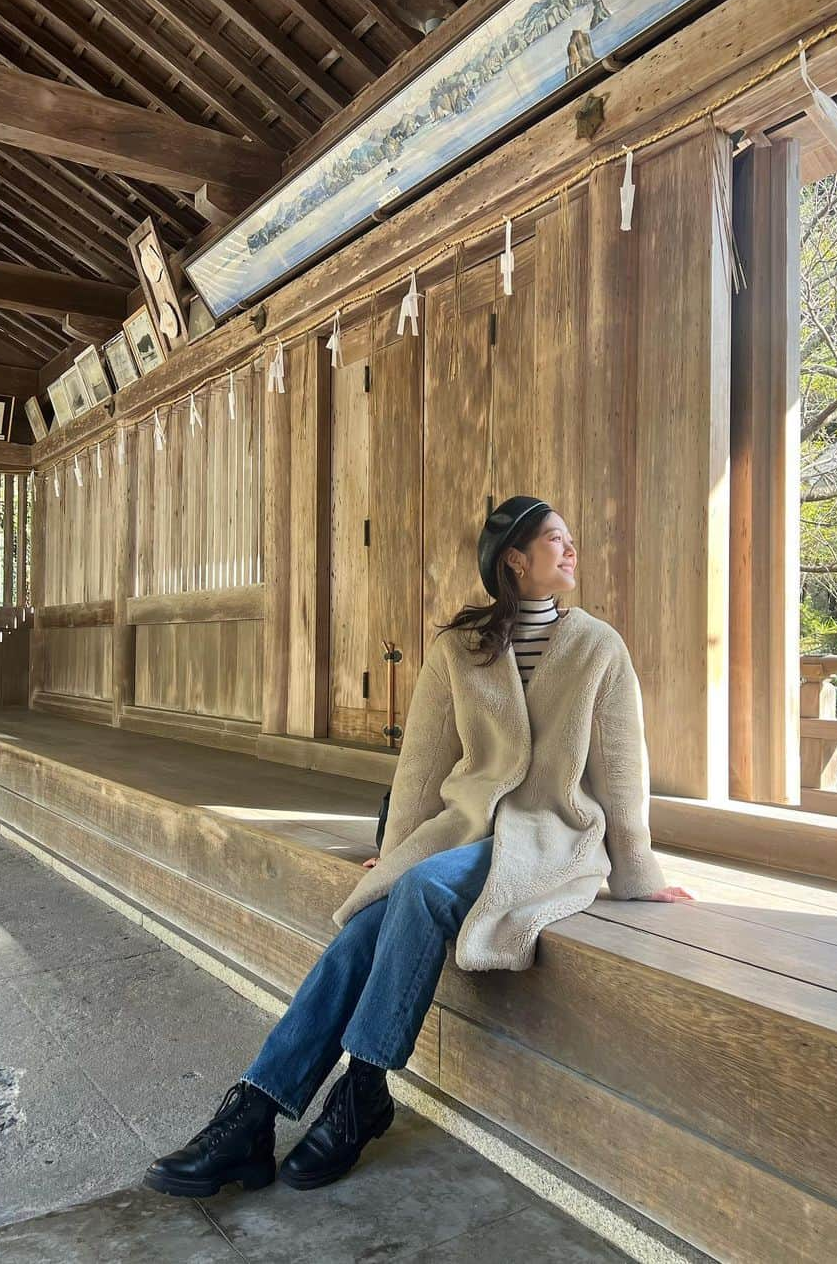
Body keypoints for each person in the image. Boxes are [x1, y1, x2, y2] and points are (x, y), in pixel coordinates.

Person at [143, 496, 693, 1199]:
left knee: (425, 889)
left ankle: (363, 1083)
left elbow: (621, 770)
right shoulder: (459, 648)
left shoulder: (599, 647)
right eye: (556, 541)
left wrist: (639, 873)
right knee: (383, 911)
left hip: (553, 836)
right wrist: (398, 848)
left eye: (570, 539)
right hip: (462, 830)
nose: (572, 550)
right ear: (514, 559)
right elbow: (425, 765)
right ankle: (254, 1111)